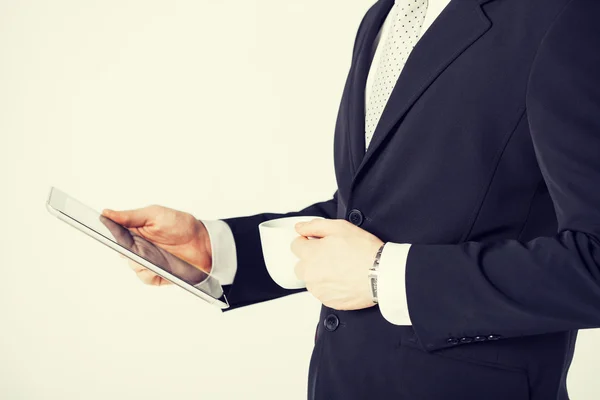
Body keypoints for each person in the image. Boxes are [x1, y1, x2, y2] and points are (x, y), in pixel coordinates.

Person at [102, 0, 600, 398]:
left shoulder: (565, 14)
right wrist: (221, 249)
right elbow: (373, 211)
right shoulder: (384, 15)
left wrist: (385, 275)